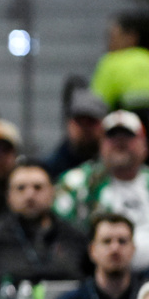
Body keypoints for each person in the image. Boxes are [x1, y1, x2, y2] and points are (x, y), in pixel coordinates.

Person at [0, 161, 88, 288]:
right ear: (8, 195)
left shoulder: (76, 238)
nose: (29, 195)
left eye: (38, 187)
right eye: (21, 188)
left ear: (53, 192)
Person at [55, 109, 149, 271]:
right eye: (112, 137)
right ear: (101, 144)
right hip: (96, 277)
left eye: (128, 137)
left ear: (144, 145)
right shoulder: (77, 184)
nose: (120, 143)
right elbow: (59, 234)